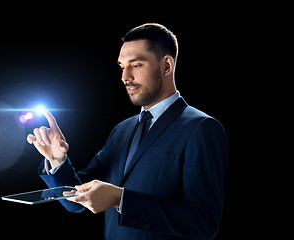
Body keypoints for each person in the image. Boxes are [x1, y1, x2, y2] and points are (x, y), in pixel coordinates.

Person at [27, 23, 228, 240]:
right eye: (122, 66)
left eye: (136, 65)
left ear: (167, 66)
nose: (125, 77)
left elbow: (203, 222)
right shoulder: (122, 130)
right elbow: (76, 203)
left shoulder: (201, 128)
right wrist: (58, 163)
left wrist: (120, 199)